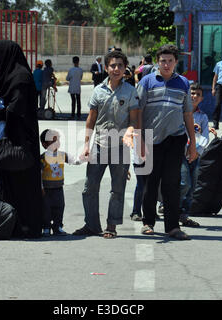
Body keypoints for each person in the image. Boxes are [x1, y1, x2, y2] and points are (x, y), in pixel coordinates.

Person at [0, 40, 43, 238]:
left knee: (20, 182)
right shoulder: (11, 77)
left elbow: (16, 109)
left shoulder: (20, 78)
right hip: (11, 139)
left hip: (21, 141)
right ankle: (8, 224)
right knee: (8, 181)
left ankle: (24, 226)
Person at [73, 50, 140, 239]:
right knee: (89, 188)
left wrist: (130, 133)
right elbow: (90, 120)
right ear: (106, 68)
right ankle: (92, 225)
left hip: (120, 148)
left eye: (120, 65)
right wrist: (86, 145)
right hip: (99, 145)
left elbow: (135, 120)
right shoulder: (98, 91)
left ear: (125, 68)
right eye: (113, 65)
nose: (116, 69)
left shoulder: (130, 91)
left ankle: (111, 226)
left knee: (117, 189)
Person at [137, 44, 198, 240]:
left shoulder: (183, 83)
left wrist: (193, 144)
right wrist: (139, 140)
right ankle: (148, 222)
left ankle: (172, 227)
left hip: (175, 139)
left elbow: (188, 113)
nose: (166, 64)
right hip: (150, 140)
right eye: (163, 60)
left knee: (172, 184)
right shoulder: (146, 82)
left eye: (170, 60)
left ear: (176, 62)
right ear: (157, 61)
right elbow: (137, 112)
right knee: (150, 184)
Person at [179, 82, 217, 228]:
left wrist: (196, 152)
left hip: (195, 156)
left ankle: (184, 215)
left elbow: (205, 137)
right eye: (192, 93)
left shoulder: (203, 117)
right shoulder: (180, 112)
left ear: (202, 98)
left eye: (198, 95)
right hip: (180, 153)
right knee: (184, 183)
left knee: (192, 186)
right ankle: (171, 207)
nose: (194, 96)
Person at [40, 129, 82, 237]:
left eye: (57, 140)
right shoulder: (43, 158)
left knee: (59, 207)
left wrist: (83, 158)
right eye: (52, 141)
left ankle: (58, 227)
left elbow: (75, 160)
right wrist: (41, 187)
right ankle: (46, 227)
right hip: (46, 189)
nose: (56, 142)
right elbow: (39, 173)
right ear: (44, 144)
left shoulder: (62, 155)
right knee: (46, 208)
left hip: (58, 188)